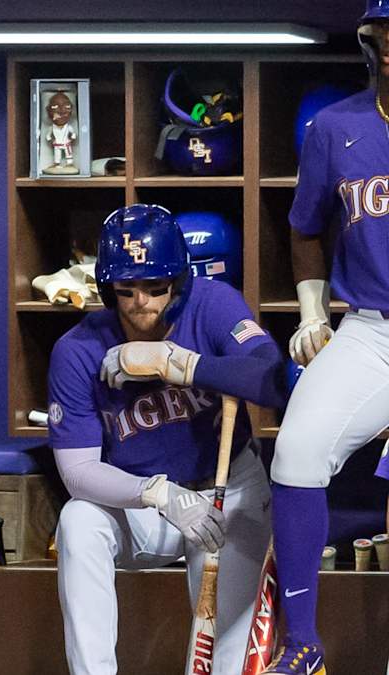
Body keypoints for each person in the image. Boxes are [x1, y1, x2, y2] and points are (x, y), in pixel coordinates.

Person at [47, 204, 286, 675]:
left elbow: (271, 377)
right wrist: (157, 494)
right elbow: (77, 474)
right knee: (78, 521)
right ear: (106, 288)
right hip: (144, 505)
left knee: (226, 661)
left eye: (155, 288)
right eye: (127, 290)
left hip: (226, 494)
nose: (142, 302)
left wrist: (178, 363)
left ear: (178, 282)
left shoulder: (213, 304)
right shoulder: (77, 349)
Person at [263, 2, 389, 671]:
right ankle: (303, 641)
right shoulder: (335, 125)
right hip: (371, 331)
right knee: (297, 451)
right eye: (382, 34)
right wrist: (313, 314)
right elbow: (306, 224)